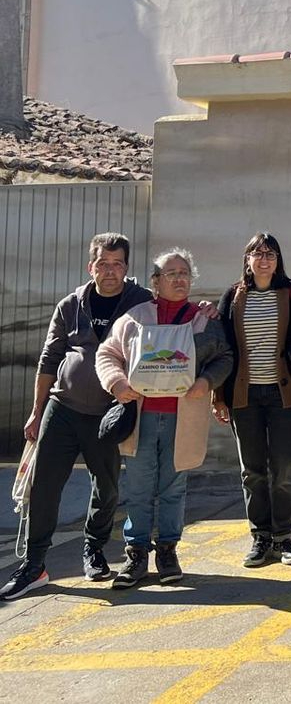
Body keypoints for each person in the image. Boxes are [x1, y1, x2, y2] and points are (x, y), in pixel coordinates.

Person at [0, 233, 153, 600]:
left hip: (110, 412)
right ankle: (34, 565)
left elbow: (175, 324)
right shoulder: (71, 305)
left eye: (117, 264)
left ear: (127, 268)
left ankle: (94, 548)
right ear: (91, 266)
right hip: (63, 408)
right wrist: (36, 412)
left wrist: (207, 312)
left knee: (107, 484)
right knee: (44, 486)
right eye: (103, 263)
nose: (110, 271)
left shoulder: (141, 302)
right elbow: (49, 360)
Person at [95, 249, 233, 588]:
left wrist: (206, 382)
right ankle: (136, 554)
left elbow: (224, 356)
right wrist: (118, 383)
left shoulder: (202, 319)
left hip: (182, 419)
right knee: (139, 488)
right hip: (141, 418)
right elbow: (107, 353)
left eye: (185, 273)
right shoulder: (136, 317)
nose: (180, 279)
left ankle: (168, 551)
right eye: (171, 273)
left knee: (174, 488)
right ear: (155, 282)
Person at [213, 233, 291, 567]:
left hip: (283, 393)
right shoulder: (234, 295)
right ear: (247, 259)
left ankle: (284, 538)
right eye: (257, 253)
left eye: (270, 253)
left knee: (285, 466)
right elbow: (222, 349)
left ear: (278, 259)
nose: (264, 259)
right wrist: (219, 396)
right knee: (252, 470)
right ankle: (261, 537)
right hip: (245, 394)